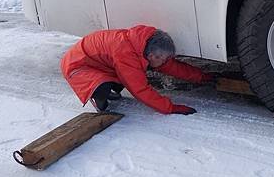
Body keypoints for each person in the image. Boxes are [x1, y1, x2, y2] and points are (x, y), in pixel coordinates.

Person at [60, 25, 213, 115]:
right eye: (164, 58)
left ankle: (108, 86)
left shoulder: (144, 45)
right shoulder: (126, 53)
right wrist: (170, 108)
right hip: (77, 66)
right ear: (153, 55)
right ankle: (98, 99)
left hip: (100, 65)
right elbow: (140, 89)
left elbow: (172, 67)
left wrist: (203, 77)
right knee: (112, 84)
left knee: (127, 77)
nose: (166, 62)